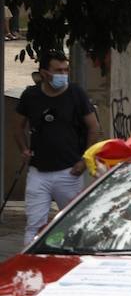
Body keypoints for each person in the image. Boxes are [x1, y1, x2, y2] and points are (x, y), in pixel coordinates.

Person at [16, 52, 100, 244]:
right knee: (34, 224)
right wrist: (23, 148)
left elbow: (93, 128)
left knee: (72, 223)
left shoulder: (76, 93)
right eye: (58, 70)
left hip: (69, 172)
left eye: (66, 70)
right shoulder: (31, 95)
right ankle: (33, 263)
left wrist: (84, 161)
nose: (63, 74)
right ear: (44, 73)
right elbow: (18, 127)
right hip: (38, 172)